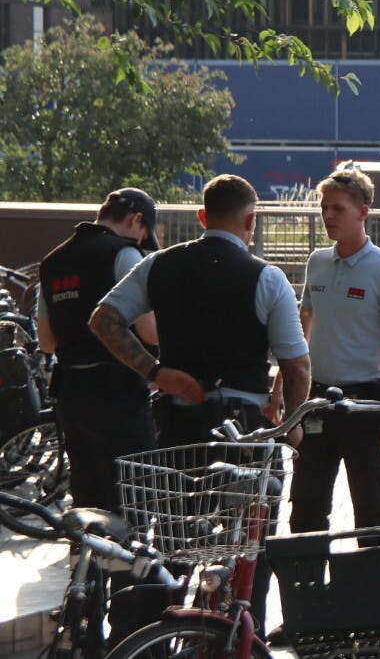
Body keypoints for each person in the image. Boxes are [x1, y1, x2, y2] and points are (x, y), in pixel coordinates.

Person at [90, 174, 310, 628]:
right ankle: (243, 636)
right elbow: (298, 366)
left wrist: (155, 372)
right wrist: (289, 418)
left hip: (178, 424)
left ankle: (159, 632)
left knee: (174, 539)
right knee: (251, 546)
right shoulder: (266, 277)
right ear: (252, 220)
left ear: (202, 216)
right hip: (246, 431)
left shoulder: (159, 265)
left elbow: (104, 319)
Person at [290, 169, 380, 533]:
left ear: (363, 212)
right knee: (306, 510)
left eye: (338, 209)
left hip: (368, 404)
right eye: (324, 208)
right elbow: (300, 331)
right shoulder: (318, 262)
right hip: (319, 402)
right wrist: (283, 394)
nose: (328, 216)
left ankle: (374, 588)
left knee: (371, 513)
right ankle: (308, 587)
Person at [36, 188, 161, 514]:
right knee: (135, 496)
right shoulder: (125, 255)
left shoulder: (51, 262)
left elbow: (47, 341)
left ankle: (87, 562)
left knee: (88, 498)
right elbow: (150, 331)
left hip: (71, 395)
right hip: (119, 394)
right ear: (137, 221)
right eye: (144, 235)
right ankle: (125, 565)